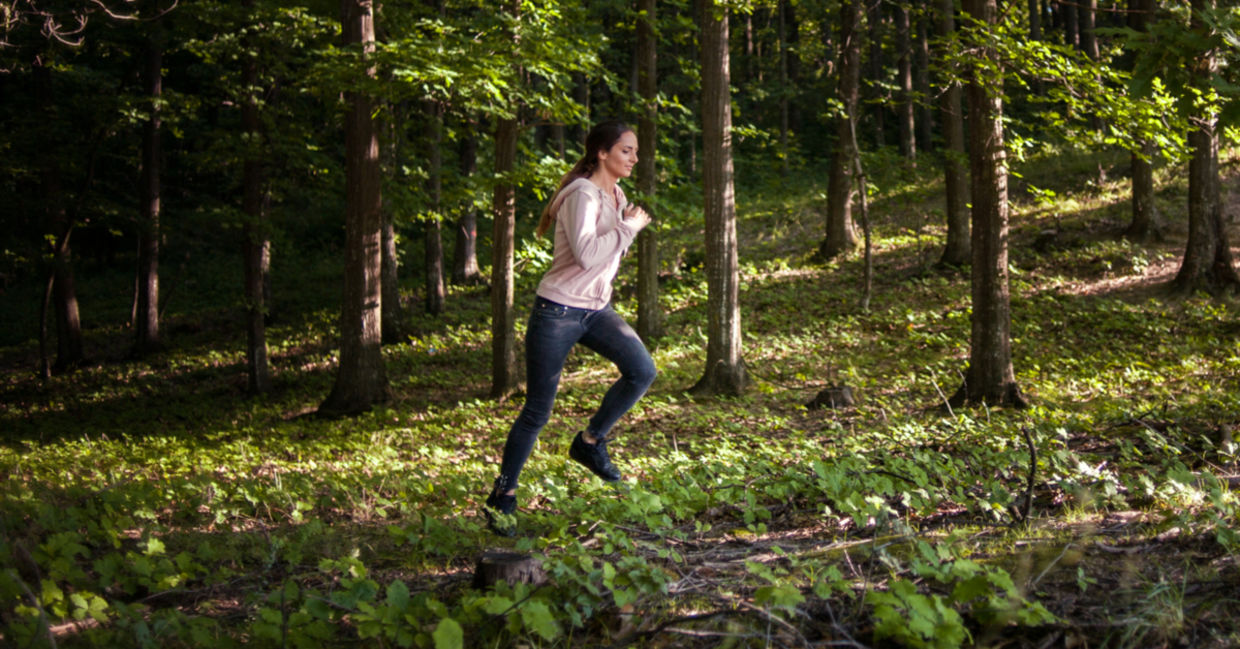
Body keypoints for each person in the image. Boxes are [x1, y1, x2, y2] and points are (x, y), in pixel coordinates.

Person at [483, 120, 656, 536]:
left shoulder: (617, 194)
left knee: (642, 370)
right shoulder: (582, 195)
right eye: (627, 151)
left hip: (596, 310)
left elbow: (606, 255)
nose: (635, 158)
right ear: (602, 153)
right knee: (537, 411)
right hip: (557, 311)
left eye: (635, 151)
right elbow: (586, 254)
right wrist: (628, 228)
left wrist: (623, 226)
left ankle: (591, 442)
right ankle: (502, 496)